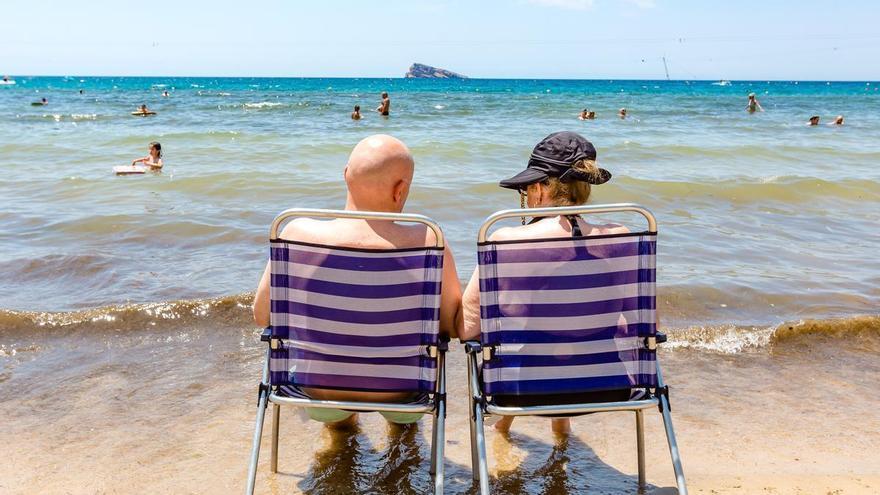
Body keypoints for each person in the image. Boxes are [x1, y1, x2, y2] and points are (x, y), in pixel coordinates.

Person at [252, 134, 463, 429]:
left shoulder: (295, 233)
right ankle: (402, 436)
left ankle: (340, 429)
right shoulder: (429, 240)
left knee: (335, 414)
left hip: (320, 392)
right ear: (400, 191)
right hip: (402, 394)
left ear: (345, 175)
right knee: (408, 408)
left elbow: (263, 315)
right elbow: (451, 325)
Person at [459, 131, 627, 436]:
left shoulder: (504, 240)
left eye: (524, 192)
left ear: (539, 188)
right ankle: (560, 429)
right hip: (608, 383)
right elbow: (643, 325)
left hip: (522, 389)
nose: (525, 200)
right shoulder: (622, 237)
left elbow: (467, 328)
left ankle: (505, 429)